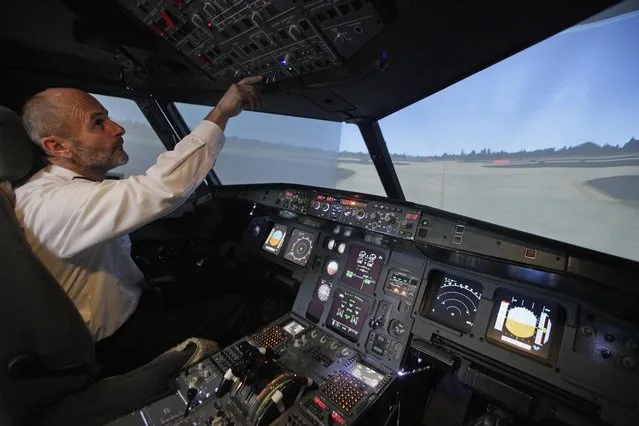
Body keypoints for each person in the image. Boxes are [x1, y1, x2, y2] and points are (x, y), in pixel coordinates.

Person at [14, 76, 264, 375]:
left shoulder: (47, 189)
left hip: (130, 304)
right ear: (57, 146)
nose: (118, 128)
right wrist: (222, 111)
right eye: (98, 123)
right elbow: (159, 188)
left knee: (215, 278)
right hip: (115, 344)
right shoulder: (55, 203)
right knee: (236, 309)